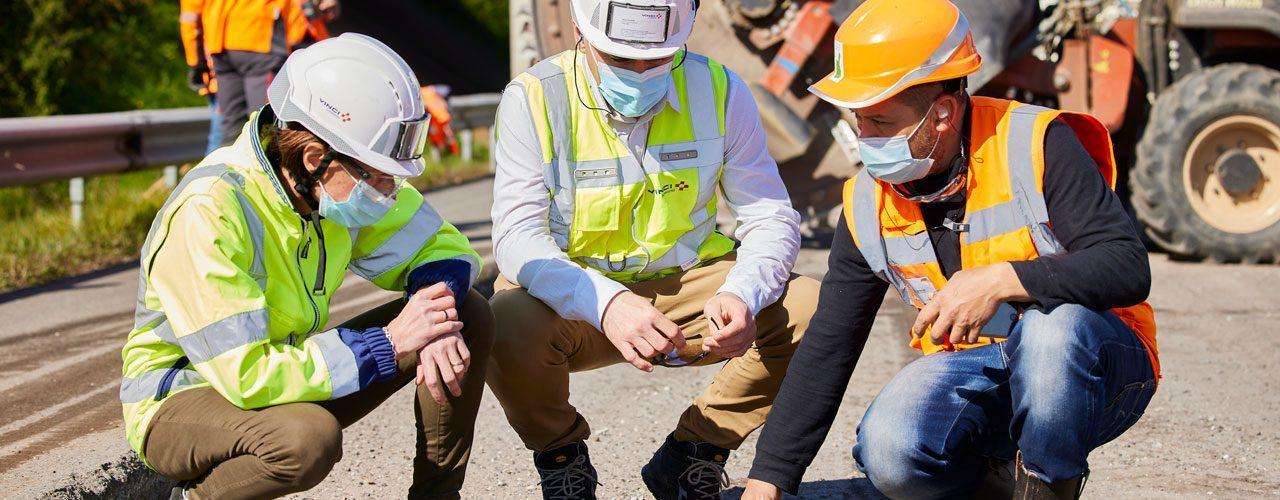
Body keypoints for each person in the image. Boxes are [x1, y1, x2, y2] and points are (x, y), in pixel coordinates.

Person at [742, 1, 1160, 499]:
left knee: (1053, 331)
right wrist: (768, 481)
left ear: (941, 113)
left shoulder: (1035, 143)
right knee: (890, 449)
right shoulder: (866, 202)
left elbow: (1126, 265)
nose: (864, 140)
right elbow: (830, 345)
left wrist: (1003, 279)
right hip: (983, 372)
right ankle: (994, 483)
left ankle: (1049, 487)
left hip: (1094, 367)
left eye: (879, 122)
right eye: (858, 122)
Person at [119, 33, 491, 499]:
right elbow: (246, 375)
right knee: (306, 440)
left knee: (466, 311)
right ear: (316, 158)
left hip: (278, 370)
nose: (389, 194)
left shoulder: (329, 188)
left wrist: (434, 312)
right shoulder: (210, 210)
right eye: (377, 177)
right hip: (183, 395)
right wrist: (391, 343)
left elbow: (444, 248)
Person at [486, 0, 820, 498]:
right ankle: (562, 461)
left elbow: (770, 215)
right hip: (577, 297)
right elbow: (516, 236)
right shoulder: (533, 98)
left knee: (809, 309)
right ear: (579, 29)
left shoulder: (721, 91)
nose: (640, 74)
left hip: (687, 284)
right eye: (620, 59)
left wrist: (744, 293)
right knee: (504, 321)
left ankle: (695, 452)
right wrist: (607, 303)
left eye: (659, 58)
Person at [179, 0, 311, 147]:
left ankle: (227, 167)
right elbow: (299, 11)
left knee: (231, 129)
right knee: (264, 126)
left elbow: (190, 14)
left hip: (221, 46)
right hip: (261, 41)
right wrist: (299, 45)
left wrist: (195, 61)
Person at [178, 0, 223, 153]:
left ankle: (212, 174)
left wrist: (195, 63)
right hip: (262, 67)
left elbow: (190, 24)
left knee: (221, 139)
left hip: (218, 70)